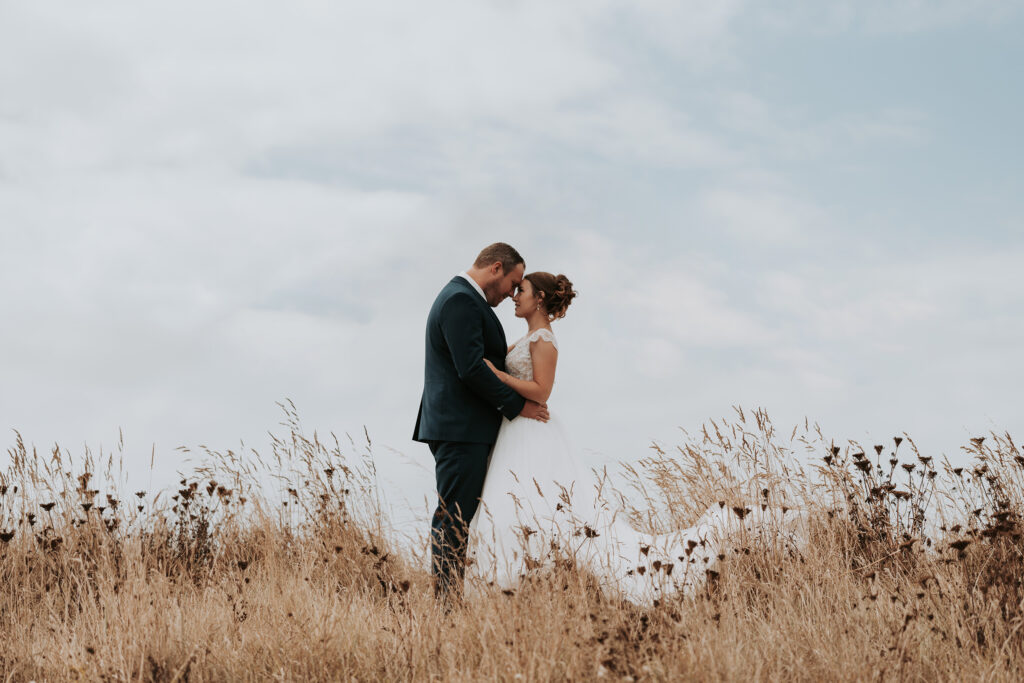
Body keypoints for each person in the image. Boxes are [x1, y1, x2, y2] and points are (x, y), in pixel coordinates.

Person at [468, 271, 808, 605]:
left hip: (533, 430)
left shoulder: (544, 340)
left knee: (536, 505)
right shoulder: (528, 338)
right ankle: (516, 580)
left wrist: (499, 375)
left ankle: (524, 579)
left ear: (539, 298)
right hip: (516, 430)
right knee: (519, 505)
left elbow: (542, 391)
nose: (515, 296)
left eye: (521, 290)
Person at [413, 243, 550, 603]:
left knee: (461, 517)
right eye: (513, 283)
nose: (511, 293)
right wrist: (518, 406)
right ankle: (447, 607)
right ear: (496, 269)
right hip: (461, 429)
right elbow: (471, 368)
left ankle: (456, 599)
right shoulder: (460, 300)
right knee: (453, 518)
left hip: (465, 427)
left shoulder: (463, 298)